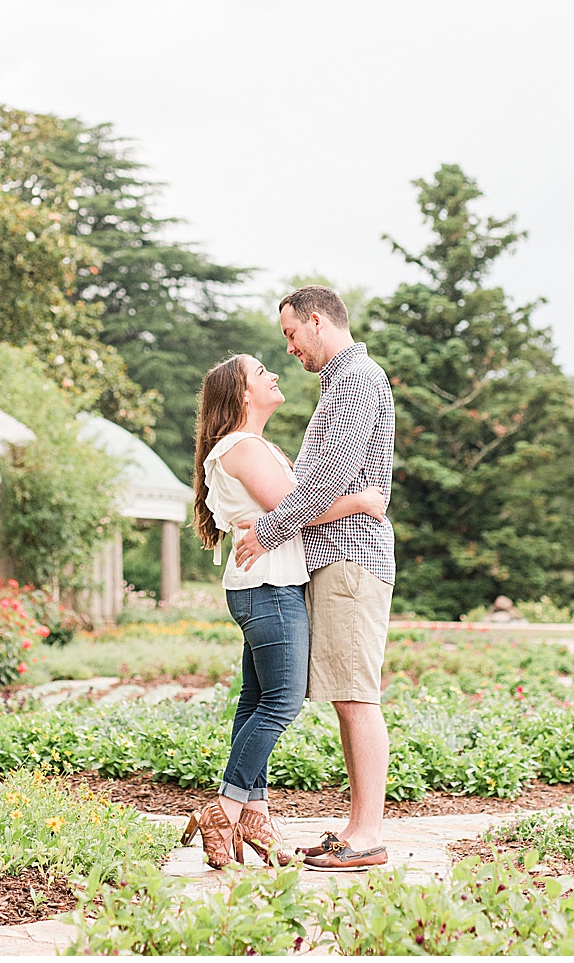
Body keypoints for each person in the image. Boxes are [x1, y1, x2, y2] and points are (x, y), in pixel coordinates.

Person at [182, 352, 388, 868]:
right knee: (281, 704)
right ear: (242, 394)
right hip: (269, 587)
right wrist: (363, 502)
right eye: (259, 373)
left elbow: (294, 507)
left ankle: (254, 810)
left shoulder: (254, 446)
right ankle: (226, 809)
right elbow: (295, 509)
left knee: (255, 702)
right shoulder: (243, 448)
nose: (274, 373)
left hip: (268, 583)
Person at [233, 285, 396, 871]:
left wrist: (269, 530)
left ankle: (368, 834)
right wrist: (358, 501)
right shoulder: (342, 382)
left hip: (353, 561)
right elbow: (344, 491)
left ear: (318, 321)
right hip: (337, 557)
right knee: (348, 696)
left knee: (357, 695)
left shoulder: (355, 379)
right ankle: (357, 827)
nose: (290, 348)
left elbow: (325, 480)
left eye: (291, 334)